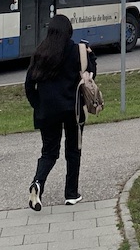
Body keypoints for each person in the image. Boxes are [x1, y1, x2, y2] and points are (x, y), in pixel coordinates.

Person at [23, 14, 96, 210]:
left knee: (49, 152)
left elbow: (29, 85)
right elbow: (90, 75)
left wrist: (37, 105)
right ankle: (71, 194)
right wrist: (90, 55)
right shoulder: (76, 50)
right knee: (73, 150)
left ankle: (37, 183)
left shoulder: (40, 53)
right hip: (72, 109)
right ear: (69, 31)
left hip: (46, 111)